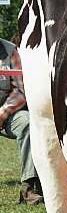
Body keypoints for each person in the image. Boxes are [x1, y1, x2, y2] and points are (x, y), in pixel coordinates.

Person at [0, 38, 41, 204]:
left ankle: (29, 187)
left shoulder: (11, 52)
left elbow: (20, 92)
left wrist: (2, 114)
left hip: (8, 113)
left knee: (28, 122)